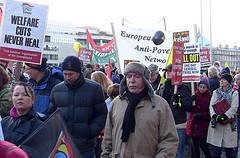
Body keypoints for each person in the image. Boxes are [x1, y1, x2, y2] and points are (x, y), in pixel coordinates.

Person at [101, 62, 178, 158]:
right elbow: (108, 136)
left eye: (137, 76)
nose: (132, 80)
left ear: (145, 80)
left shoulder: (159, 105)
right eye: (129, 76)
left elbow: (169, 140)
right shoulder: (117, 103)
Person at [48, 56, 107, 158]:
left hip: (85, 147)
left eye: (70, 74)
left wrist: (89, 131)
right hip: (63, 145)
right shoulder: (57, 90)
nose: (67, 77)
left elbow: (101, 115)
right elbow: (51, 115)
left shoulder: (95, 89)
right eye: (65, 74)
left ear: (79, 72)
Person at [158, 64, 192, 158]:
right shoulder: (164, 86)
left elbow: (189, 106)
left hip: (179, 124)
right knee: (166, 150)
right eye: (166, 72)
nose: (167, 73)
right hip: (165, 123)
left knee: (178, 151)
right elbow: (161, 102)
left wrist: (179, 102)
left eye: (170, 71)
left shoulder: (183, 88)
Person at [207, 73, 238, 158]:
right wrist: (214, 116)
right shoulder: (215, 92)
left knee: (229, 152)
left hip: (228, 124)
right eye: (221, 79)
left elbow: (234, 107)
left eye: (223, 80)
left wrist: (225, 116)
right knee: (216, 152)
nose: (221, 81)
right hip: (217, 124)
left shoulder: (234, 93)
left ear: (228, 82)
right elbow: (211, 105)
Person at [1, 82, 42, 146]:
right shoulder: (4, 122)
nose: (20, 98)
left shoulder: (38, 125)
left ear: (33, 99)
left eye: (25, 95)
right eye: (16, 95)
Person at [186, 78, 212, 158]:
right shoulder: (195, 95)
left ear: (207, 88)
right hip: (194, 124)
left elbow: (211, 112)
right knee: (194, 145)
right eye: (200, 87)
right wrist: (191, 101)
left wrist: (202, 115)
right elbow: (189, 108)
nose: (202, 89)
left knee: (204, 144)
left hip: (203, 124)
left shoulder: (209, 97)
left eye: (204, 87)